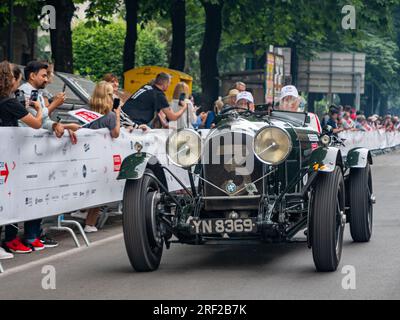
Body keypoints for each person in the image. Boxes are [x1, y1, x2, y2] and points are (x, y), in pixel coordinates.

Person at [0, 61, 44, 257]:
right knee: (9, 198)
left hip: (6, 156)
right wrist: (39, 108)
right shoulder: (9, 102)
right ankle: (8, 240)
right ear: (13, 80)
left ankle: (10, 238)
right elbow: (36, 123)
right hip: (9, 157)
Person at [83, 81, 121, 232]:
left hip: (85, 155)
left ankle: (82, 214)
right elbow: (116, 133)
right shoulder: (110, 115)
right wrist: (117, 115)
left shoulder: (85, 111)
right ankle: (90, 223)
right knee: (99, 190)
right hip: (102, 158)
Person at [122, 73, 188, 127]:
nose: (169, 85)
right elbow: (172, 117)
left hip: (122, 116)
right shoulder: (159, 95)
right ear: (165, 83)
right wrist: (184, 107)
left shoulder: (147, 87)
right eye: (169, 83)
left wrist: (164, 123)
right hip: (131, 121)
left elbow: (158, 110)